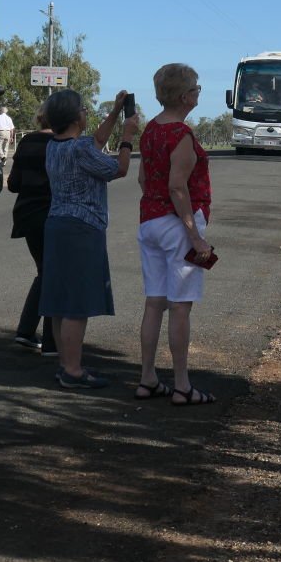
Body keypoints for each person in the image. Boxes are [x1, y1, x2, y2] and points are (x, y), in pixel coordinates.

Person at [40, 88, 138, 389]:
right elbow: (119, 168)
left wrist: (115, 111)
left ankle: (65, 364)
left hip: (57, 224)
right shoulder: (79, 150)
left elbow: (94, 142)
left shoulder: (55, 146)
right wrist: (127, 137)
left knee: (61, 301)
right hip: (82, 228)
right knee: (77, 305)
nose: (86, 113)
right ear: (74, 117)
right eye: (83, 109)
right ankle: (73, 370)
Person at [136, 63, 216, 406]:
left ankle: (148, 378)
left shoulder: (151, 130)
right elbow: (177, 187)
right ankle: (182, 384)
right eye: (196, 89)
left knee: (154, 302)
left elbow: (143, 180)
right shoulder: (180, 135)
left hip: (149, 222)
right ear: (185, 96)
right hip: (175, 224)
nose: (199, 93)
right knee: (180, 306)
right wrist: (194, 236)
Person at [8, 101, 56, 355]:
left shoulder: (27, 142)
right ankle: (52, 340)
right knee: (54, 274)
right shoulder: (62, 145)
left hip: (26, 214)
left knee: (45, 271)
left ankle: (26, 331)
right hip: (52, 214)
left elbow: (14, 183)